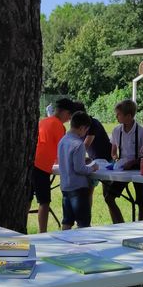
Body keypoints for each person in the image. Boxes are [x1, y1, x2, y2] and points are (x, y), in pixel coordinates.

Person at [29, 97, 74, 232]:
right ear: (65, 112)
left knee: (27, 198)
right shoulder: (59, 126)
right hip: (41, 167)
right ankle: (42, 232)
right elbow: (62, 149)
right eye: (69, 115)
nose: (69, 119)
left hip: (31, 163)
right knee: (44, 202)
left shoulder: (43, 121)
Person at [103, 99, 143, 224]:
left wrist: (133, 162)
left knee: (142, 202)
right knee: (109, 197)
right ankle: (120, 224)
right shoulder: (117, 130)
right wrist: (116, 159)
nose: (116, 116)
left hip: (137, 169)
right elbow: (113, 151)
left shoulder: (142, 131)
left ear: (128, 116)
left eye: (118, 114)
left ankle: (141, 226)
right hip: (123, 169)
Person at [57, 111, 97, 229]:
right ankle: (83, 246)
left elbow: (67, 160)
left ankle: (64, 244)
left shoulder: (63, 141)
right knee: (83, 223)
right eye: (86, 131)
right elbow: (79, 169)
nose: (85, 134)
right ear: (82, 128)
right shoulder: (78, 144)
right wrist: (92, 168)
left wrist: (82, 160)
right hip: (78, 188)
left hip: (65, 186)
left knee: (67, 221)